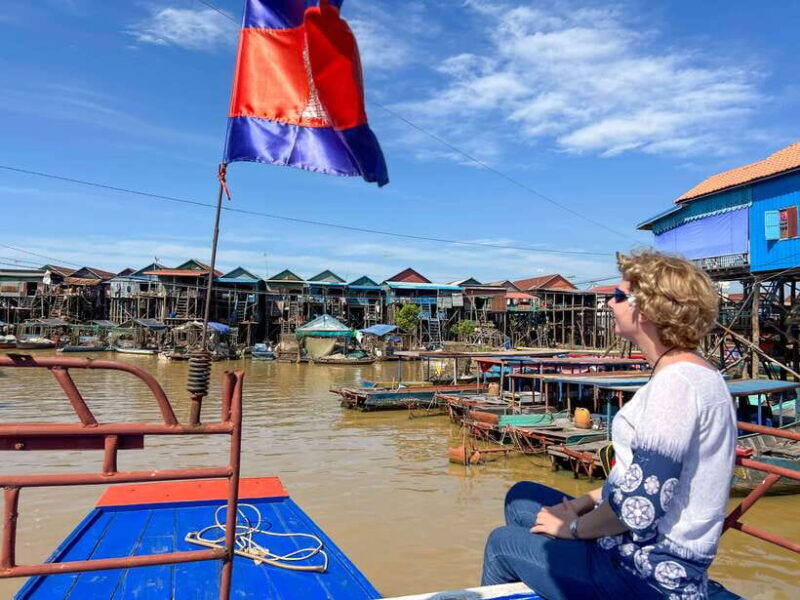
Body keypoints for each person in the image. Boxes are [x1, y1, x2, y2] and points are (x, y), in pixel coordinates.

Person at [481, 250, 737, 599]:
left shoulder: (675, 387)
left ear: (644, 309)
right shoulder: (692, 373)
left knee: (501, 543)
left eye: (618, 296)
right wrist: (581, 504)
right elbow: (643, 475)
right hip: (636, 550)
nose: (610, 302)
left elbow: (640, 507)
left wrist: (570, 528)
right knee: (521, 502)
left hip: (644, 574)